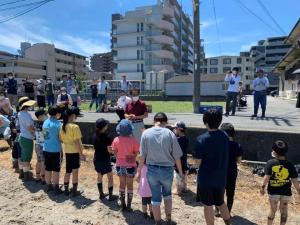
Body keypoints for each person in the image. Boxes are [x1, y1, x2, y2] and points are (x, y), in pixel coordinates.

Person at [137, 113, 183, 225]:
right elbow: (177, 156)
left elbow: (142, 156)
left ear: (154, 121)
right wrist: (180, 172)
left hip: (152, 170)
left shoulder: (146, 133)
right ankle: (168, 219)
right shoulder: (169, 133)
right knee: (167, 195)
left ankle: (158, 221)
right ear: (165, 122)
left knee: (155, 197)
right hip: (167, 170)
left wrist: (138, 172)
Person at [193, 109, 231, 225]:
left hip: (206, 179)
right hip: (220, 177)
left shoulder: (201, 139)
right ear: (219, 121)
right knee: (220, 202)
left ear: (206, 122)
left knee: (208, 205)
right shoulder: (225, 136)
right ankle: (228, 222)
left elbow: (197, 162)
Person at [261, 140, 300, 225]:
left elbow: (266, 177)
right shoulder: (290, 165)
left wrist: (262, 188)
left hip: (273, 192)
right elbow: (295, 180)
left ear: (274, 152)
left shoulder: (270, 163)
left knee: (272, 210)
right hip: (286, 192)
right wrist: (299, 191)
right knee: (284, 210)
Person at [111, 119, 140, 212]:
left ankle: (123, 204)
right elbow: (136, 153)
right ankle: (129, 206)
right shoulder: (134, 140)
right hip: (130, 165)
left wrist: (119, 157)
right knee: (130, 185)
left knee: (122, 184)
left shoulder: (116, 139)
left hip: (120, 165)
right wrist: (132, 156)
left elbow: (114, 151)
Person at [215, 123, 243, 217]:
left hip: (220, 172)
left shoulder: (219, 144)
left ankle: (217, 211)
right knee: (230, 193)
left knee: (219, 191)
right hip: (231, 172)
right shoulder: (237, 145)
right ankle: (228, 213)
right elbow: (239, 161)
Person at [60, 107, 84, 197]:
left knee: (68, 171)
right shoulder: (75, 127)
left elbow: (61, 139)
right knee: (75, 172)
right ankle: (74, 191)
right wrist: (81, 154)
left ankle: (66, 190)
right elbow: (77, 142)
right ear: (73, 115)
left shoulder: (63, 126)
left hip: (67, 151)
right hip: (75, 152)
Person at [93, 118, 117, 201]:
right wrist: (114, 152)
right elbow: (109, 150)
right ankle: (110, 196)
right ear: (104, 127)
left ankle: (101, 194)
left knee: (99, 176)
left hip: (97, 159)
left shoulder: (95, 136)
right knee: (110, 177)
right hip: (105, 159)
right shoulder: (107, 137)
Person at [42, 105, 63, 195]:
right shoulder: (59, 124)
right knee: (56, 169)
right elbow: (61, 138)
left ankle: (49, 186)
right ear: (57, 113)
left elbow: (45, 136)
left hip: (46, 148)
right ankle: (56, 187)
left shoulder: (45, 122)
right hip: (56, 150)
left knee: (48, 168)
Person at [18, 97, 36, 181]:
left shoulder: (20, 113)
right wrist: (36, 133)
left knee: (22, 156)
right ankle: (26, 176)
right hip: (27, 138)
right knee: (27, 157)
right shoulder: (26, 114)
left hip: (22, 137)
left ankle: (21, 173)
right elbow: (29, 127)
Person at [173, 121, 189, 196]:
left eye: (175, 128)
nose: (174, 130)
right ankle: (185, 188)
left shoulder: (177, 140)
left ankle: (178, 190)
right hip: (184, 160)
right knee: (184, 172)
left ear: (179, 129)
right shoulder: (186, 138)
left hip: (178, 160)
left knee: (178, 174)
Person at [34, 109, 47, 184]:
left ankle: (37, 176)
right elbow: (46, 135)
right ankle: (43, 178)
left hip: (37, 144)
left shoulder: (35, 123)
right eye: (45, 114)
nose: (46, 116)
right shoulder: (44, 124)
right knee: (43, 162)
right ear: (41, 116)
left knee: (38, 161)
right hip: (43, 145)